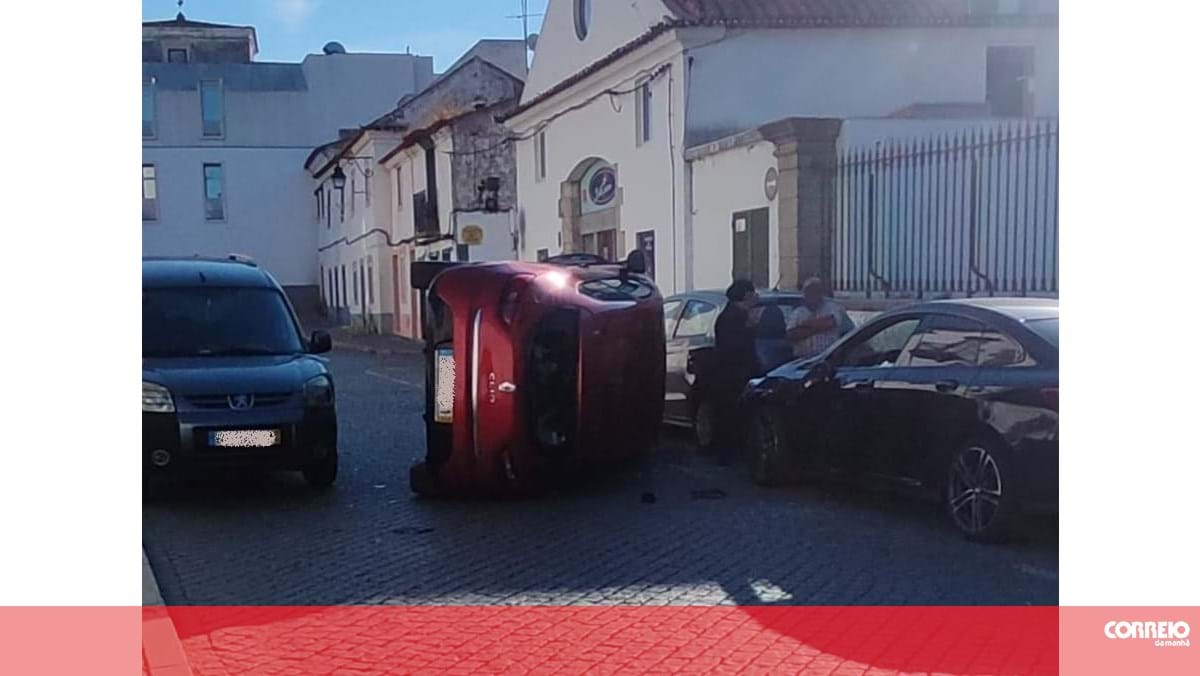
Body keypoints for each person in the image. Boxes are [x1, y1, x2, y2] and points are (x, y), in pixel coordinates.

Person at [711, 279, 760, 466]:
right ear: (746, 295)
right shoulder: (733, 318)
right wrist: (752, 328)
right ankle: (727, 452)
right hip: (732, 374)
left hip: (736, 373)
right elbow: (735, 347)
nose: (756, 297)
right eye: (753, 293)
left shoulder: (735, 315)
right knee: (729, 413)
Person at [786, 277, 854, 360]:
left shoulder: (832, 307)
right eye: (808, 292)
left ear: (820, 293)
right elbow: (791, 334)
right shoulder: (798, 312)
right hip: (802, 359)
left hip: (828, 358)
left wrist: (805, 325)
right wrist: (819, 326)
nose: (811, 295)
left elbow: (829, 323)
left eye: (814, 292)